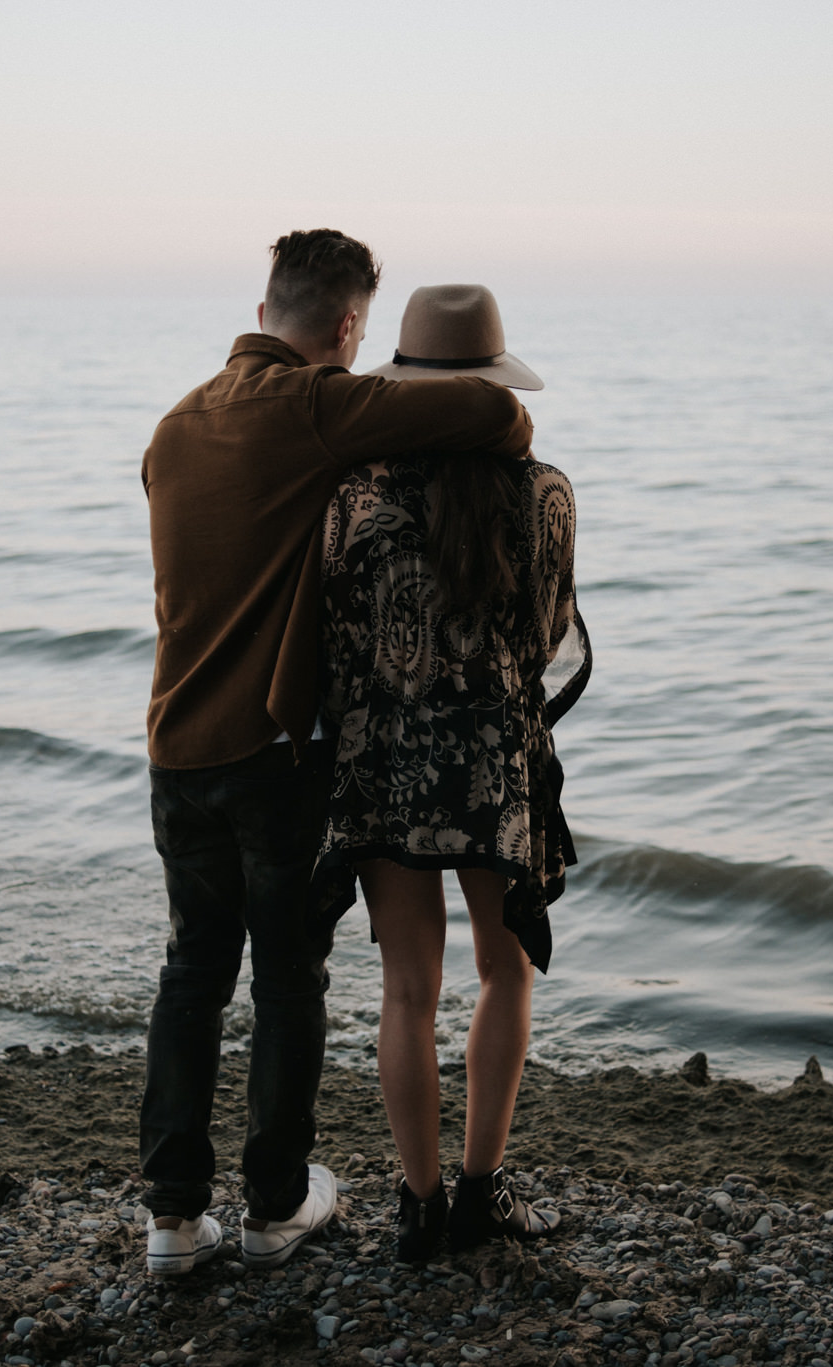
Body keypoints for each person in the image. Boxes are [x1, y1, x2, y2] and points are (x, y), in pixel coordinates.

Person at [138, 234, 536, 1277]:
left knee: (189, 975)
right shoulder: (313, 408)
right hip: (269, 755)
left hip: (173, 743)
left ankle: (172, 1218)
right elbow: (492, 415)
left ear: (264, 301)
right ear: (350, 327)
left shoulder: (174, 425)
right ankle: (273, 1204)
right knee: (285, 978)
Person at [313, 284, 590, 1262]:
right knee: (501, 969)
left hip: (385, 763)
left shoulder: (356, 494)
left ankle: (419, 1207)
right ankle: (479, 1193)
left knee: (405, 989)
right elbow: (549, 629)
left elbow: (336, 637)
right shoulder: (545, 491)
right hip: (496, 764)